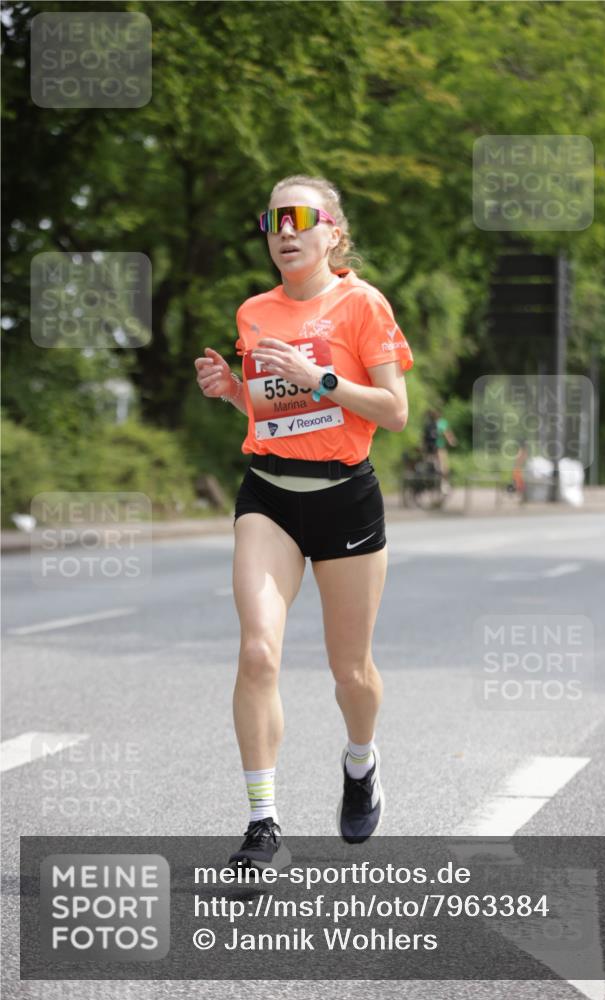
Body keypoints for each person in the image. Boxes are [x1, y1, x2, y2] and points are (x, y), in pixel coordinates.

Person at [194, 175, 413, 870]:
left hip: (345, 498)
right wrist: (235, 392)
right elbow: (275, 413)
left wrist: (318, 376)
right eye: (272, 220)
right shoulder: (254, 311)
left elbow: (394, 411)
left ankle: (360, 762)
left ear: (332, 233)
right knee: (258, 652)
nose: (284, 231)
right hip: (269, 495)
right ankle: (263, 823)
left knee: (350, 672)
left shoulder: (361, 304)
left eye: (299, 217)